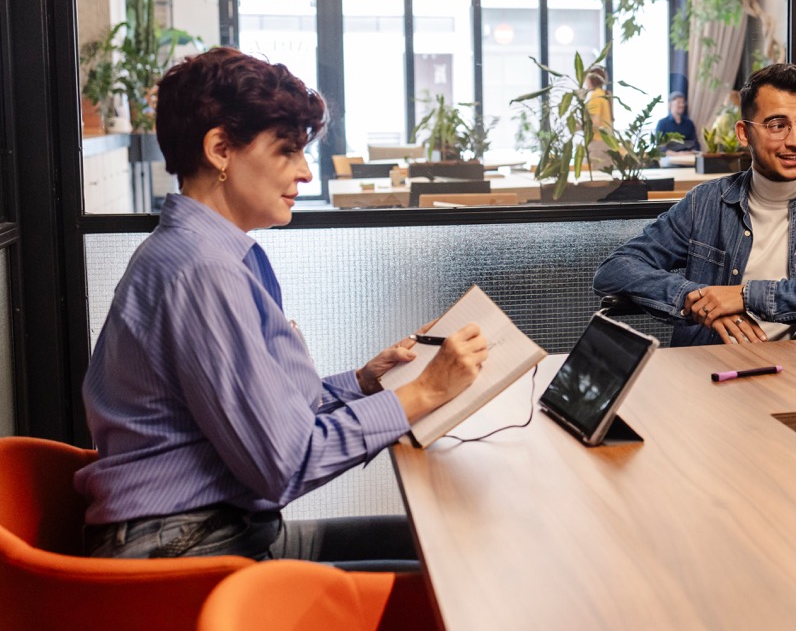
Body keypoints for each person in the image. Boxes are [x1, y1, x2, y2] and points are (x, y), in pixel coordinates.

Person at [76, 47, 490, 565]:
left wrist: (362, 382)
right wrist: (425, 392)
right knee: (454, 570)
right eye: (287, 152)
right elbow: (286, 463)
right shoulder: (204, 271)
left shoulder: (207, 253)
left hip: (203, 527)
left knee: (445, 542)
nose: (306, 174)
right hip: (182, 549)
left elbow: (263, 417)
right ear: (221, 149)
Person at [593, 63, 796, 346]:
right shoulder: (706, 203)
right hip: (710, 367)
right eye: (778, 125)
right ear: (744, 133)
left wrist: (745, 296)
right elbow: (615, 269)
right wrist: (697, 298)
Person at [585, 65, 613, 169]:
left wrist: (577, 126)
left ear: (592, 80)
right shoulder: (603, 95)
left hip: (597, 143)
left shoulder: (595, 96)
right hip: (607, 142)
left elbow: (594, 123)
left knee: (592, 178)